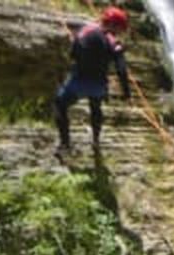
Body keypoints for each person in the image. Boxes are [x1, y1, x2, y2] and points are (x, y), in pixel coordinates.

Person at [54, 6, 132, 158]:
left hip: (78, 81)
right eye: (120, 29)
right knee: (96, 107)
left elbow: (72, 54)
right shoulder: (113, 42)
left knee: (60, 105)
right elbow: (121, 69)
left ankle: (65, 144)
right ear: (114, 25)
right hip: (99, 85)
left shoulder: (85, 30)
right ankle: (96, 140)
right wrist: (126, 93)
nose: (119, 33)